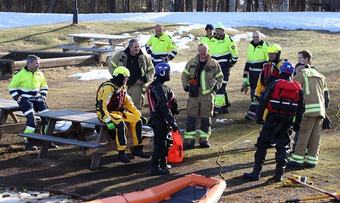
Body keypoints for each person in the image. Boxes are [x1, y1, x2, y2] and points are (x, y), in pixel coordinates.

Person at [243, 61, 304, 182]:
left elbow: (263, 101)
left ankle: (256, 173)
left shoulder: (274, 84)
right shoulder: (298, 88)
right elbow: (301, 109)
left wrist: (259, 117)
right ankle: (278, 175)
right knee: (283, 147)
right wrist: (296, 125)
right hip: (287, 121)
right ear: (291, 73)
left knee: (262, 145)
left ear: (281, 71)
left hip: (272, 119)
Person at [96, 66, 150, 163]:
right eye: (125, 78)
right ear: (120, 77)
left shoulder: (121, 87)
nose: (127, 80)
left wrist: (138, 115)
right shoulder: (108, 87)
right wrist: (108, 121)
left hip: (117, 112)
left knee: (136, 120)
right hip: (105, 114)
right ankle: (121, 152)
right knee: (120, 124)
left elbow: (129, 103)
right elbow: (102, 107)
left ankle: (138, 149)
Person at [288, 50, 329, 168]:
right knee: (315, 137)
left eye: (300, 58)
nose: (298, 60)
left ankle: (297, 159)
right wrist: (324, 111)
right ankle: (312, 160)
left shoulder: (302, 74)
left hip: (308, 111)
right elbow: (326, 97)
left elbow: (292, 89)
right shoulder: (321, 76)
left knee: (303, 135)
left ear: (306, 61)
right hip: (320, 111)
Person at [181, 43, 223, 149]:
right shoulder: (191, 62)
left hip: (207, 95)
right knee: (191, 118)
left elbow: (220, 77)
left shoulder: (213, 64)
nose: (202, 53)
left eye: (204, 51)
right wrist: (186, 86)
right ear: (198, 51)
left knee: (206, 119)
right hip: (194, 94)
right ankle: (189, 141)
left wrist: (216, 87)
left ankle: (204, 140)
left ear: (208, 51)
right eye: (201, 51)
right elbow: (184, 74)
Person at [8, 55, 49, 150]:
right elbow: (12, 88)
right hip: (25, 100)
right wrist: (18, 98)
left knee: (47, 119)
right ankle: (29, 143)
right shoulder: (20, 74)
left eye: (39, 63)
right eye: (36, 63)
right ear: (29, 64)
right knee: (31, 119)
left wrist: (43, 96)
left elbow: (44, 85)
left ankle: (47, 141)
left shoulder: (40, 73)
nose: (39, 65)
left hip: (38, 99)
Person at [147, 62, 179, 176]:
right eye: (168, 72)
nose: (169, 74)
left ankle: (163, 164)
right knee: (160, 144)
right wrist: (172, 121)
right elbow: (163, 106)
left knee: (165, 143)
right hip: (160, 120)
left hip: (161, 119)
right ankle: (154, 166)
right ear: (162, 73)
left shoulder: (156, 86)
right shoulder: (159, 87)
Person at [108, 39, 154, 109]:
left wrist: (146, 78)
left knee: (134, 108)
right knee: (121, 106)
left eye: (138, 47)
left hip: (137, 85)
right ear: (130, 47)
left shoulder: (144, 57)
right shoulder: (120, 55)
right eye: (135, 47)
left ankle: (134, 119)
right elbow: (111, 66)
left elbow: (151, 70)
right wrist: (117, 77)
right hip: (122, 85)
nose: (137, 49)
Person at [210, 22, 239, 115]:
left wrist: (230, 64)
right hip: (214, 67)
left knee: (220, 87)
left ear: (223, 31)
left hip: (224, 67)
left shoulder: (229, 40)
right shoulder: (212, 40)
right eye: (216, 31)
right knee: (219, 87)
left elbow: (235, 55)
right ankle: (224, 106)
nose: (217, 32)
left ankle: (218, 107)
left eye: (219, 31)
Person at [243, 31, 269, 120]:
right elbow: (248, 61)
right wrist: (245, 75)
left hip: (260, 74)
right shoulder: (250, 46)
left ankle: (257, 113)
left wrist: (265, 75)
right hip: (251, 73)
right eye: (254, 37)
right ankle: (254, 111)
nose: (255, 39)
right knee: (252, 92)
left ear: (261, 36)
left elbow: (268, 62)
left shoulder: (265, 46)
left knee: (258, 93)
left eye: (257, 37)